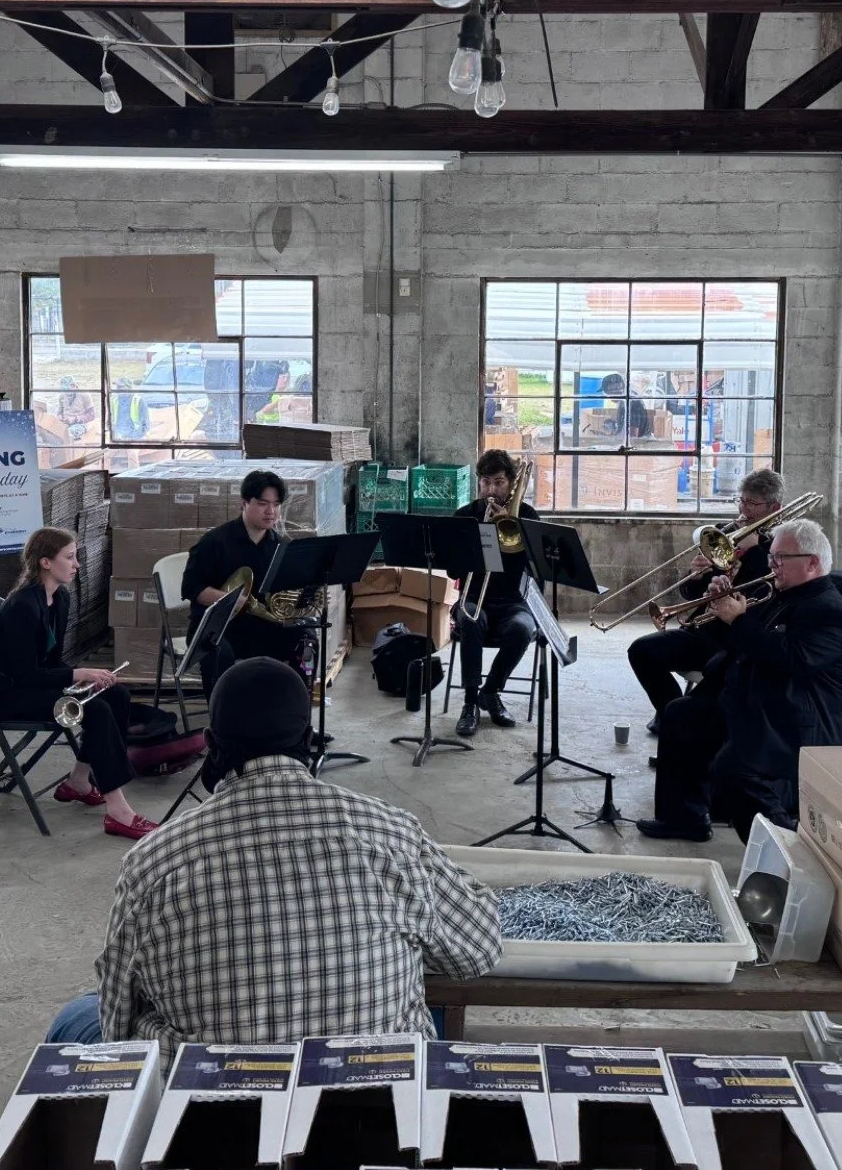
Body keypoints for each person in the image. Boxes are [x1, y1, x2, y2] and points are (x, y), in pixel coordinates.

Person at [47, 658, 501, 1052]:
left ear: (210, 741)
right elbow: (478, 950)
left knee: (81, 1012)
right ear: (306, 736)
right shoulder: (389, 832)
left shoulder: (153, 861)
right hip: (371, 1103)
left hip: (208, 1113)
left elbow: (117, 1022)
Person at [635, 518, 842, 844]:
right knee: (681, 713)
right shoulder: (785, 593)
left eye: (781, 558)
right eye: (771, 557)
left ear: (812, 563)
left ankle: (786, 847)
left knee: (732, 766)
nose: (772, 564)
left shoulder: (827, 610)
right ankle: (684, 818)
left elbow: (792, 660)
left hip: (795, 716)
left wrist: (739, 619)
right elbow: (748, 641)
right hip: (762, 696)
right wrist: (723, 605)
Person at [0, 527, 158, 840]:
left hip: (33, 684)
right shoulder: (22, 606)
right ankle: (119, 812)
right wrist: (80, 675)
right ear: (46, 563)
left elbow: (51, 661)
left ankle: (78, 781)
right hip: (8, 695)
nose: (77, 564)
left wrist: (89, 680)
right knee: (98, 711)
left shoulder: (59, 598)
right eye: (70, 557)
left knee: (115, 695)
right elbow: (27, 675)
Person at [627, 468, 785, 738]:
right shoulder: (726, 534)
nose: (744, 509)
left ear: (774, 507)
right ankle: (671, 715)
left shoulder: (779, 543)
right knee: (641, 650)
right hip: (704, 630)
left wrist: (755, 550)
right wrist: (695, 576)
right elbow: (690, 593)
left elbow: (766, 594)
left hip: (738, 639)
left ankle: (682, 722)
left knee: (716, 682)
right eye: (742, 501)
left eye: (753, 503)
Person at [180, 469, 314, 696]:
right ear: (244, 503)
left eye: (276, 504)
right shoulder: (215, 542)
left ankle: (295, 709)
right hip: (217, 628)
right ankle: (222, 720)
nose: (271, 511)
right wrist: (231, 600)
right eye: (262, 503)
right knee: (217, 653)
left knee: (307, 638)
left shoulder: (280, 546)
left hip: (261, 627)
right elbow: (192, 588)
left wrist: (307, 598)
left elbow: (285, 593)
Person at [451, 449, 541, 738]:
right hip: (474, 598)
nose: (491, 490)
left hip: (514, 602)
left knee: (522, 629)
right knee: (471, 620)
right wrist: (478, 539)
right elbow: (453, 572)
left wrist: (509, 533)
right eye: (485, 482)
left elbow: (536, 571)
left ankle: (490, 691)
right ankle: (469, 704)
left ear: (512, 484)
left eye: (499, 482)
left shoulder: (526, 516)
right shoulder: (465, 516)